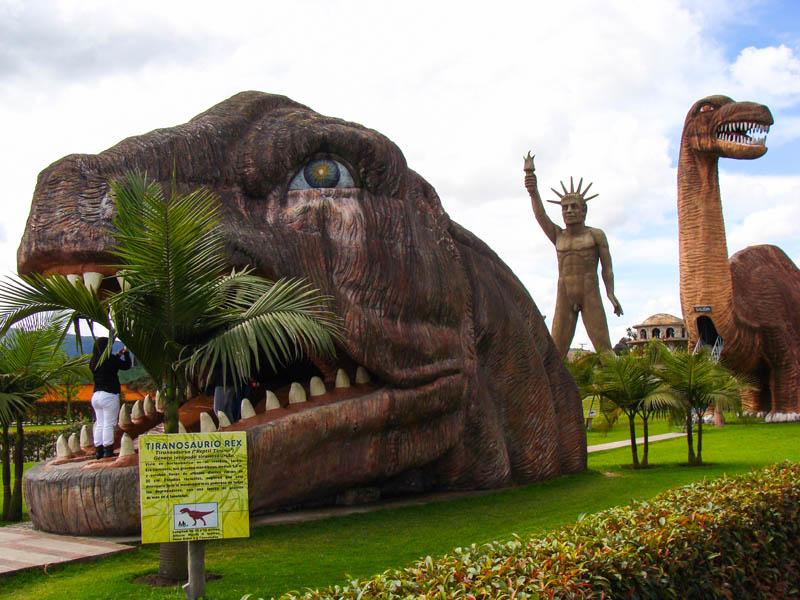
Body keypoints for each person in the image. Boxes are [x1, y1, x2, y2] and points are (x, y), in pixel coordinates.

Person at [523, 152, 623, 358]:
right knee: (555, 354)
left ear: (584, 210)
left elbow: (608, 268)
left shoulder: (595, 235)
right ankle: (551, 390)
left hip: (590, 294)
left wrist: (610, 294)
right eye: (565, 208)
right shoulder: (558, 235)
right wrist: (532, 189)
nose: (569, 211)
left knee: (605, 351)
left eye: (573, 207)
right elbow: (540, 214)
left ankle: (620, 389)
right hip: (564, 295)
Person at [89, 337, 132, 458]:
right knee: (109, 423)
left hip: (96, 395)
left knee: (100, 423)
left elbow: (107, 365)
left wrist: (117, 355)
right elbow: (126, 365)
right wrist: (126, 353)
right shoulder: (110, 359)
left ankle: (99, 451)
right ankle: (108, 450)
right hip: (109, 395)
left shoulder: (93, 360)